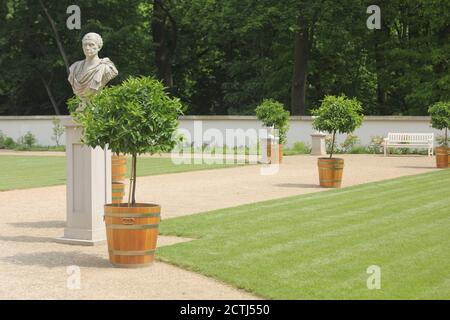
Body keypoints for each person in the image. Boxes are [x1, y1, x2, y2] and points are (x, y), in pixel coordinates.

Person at [68, 32, 118, 104]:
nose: (87, 48)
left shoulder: (106, 68)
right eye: (85, 45)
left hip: (96, 103)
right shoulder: (75, 67)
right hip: (81, 104)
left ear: (99, 47)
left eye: (91, 45)